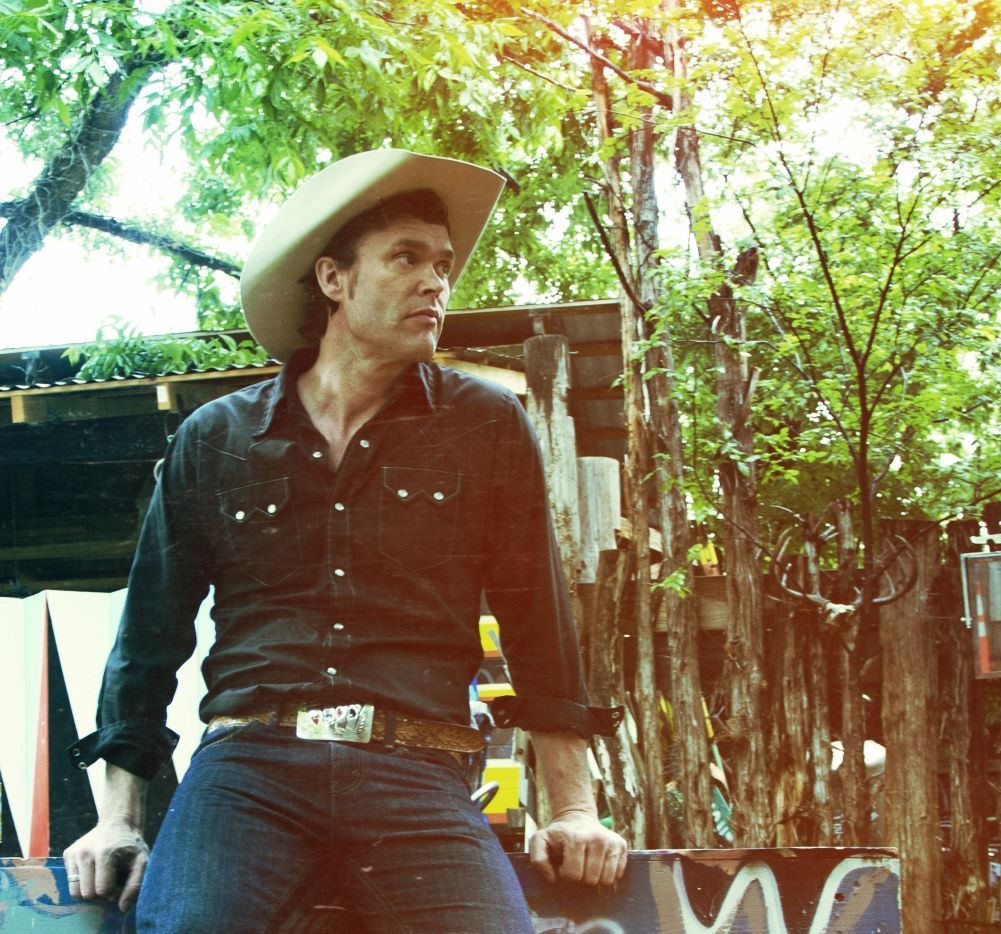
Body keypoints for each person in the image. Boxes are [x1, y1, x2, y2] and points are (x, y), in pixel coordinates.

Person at [63, 149, 627, 932]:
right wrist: (118, 816)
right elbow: (148, 637)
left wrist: (572, 808)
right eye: (407, 259)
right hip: (248, 769)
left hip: (418, 768)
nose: (437, 282)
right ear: (334, 279)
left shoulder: (486, 426)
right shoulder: (216, 438)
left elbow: (540, 621)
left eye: (444, 263)